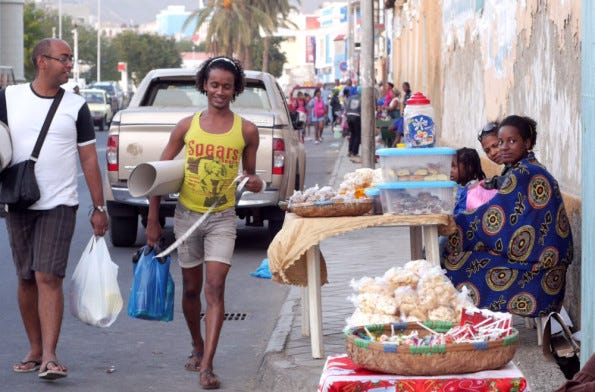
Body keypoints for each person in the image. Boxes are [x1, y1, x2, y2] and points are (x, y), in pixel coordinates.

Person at [145, 56, 262, 390]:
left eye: (227, 86)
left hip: (222, 219)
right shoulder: (187, 126)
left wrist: (254, 182)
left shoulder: (247, 130)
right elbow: (158, 173)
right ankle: (196, 343)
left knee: (214, 287)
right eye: (214, 85)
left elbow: (250, 175)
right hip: (186, 217)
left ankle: (207, 365)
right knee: (191, 289)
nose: (220, 92)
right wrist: (153, 220)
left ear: (236, 89)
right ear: (204, 86)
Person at [0, 38, 108, 380]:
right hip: (19, 198)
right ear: (41, 61)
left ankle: (50, 355)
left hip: (60, 202)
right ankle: (34, 349)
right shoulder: (8, 98)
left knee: (48, 275)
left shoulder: (76, 106)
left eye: (71, 59)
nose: (69, 66)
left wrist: (99, 206)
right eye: (64, 59)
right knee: (26, 276)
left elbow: (89, 157)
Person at [443, 115, 574, 318]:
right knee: (467, 248)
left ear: (527, 143)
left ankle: (458, 322)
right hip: (547, 272)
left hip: (538, 276)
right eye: (501, 142)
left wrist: (453, 225)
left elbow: (493, 220)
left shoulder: (524, 173)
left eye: (511, 142)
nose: (503, 148)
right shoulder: (527, 168)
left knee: (455, 264)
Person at [449, 147, 488, 214]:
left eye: (454, 166)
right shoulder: (462, 185)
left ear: (469, 168)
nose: (450, 171)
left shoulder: (473, 190)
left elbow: (467, 215)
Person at [345, 87, 362, 157]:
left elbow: (347, 107)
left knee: (352, 134)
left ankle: (349, 151)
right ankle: (354, 152)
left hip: (349, 117)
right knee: (357, 135)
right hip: (356, 117)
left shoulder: (351, 97)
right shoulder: (362, 98)